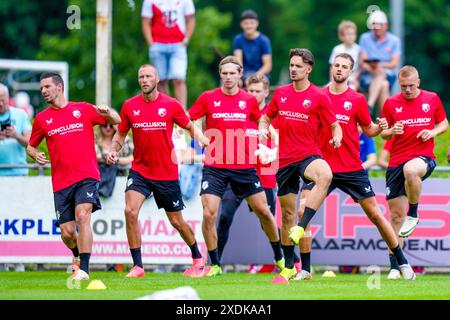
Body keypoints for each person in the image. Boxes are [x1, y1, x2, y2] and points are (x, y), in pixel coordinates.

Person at [295, 54, 416, 281]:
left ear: (351, 72)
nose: (339, 69)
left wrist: (381, 128)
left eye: (344, 67)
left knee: (376, 215)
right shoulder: (318, 96)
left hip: (351, 167)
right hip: (322, 167)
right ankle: (305, 269)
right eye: (337, 65)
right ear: (332, 68)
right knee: (303, 211)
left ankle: (402, 261)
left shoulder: (357, 99)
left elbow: (369, 130)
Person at [106, 64, 209, 278]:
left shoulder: (171, 105)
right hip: (140, 170)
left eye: (148, 76)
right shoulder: (129, 106)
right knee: (130, 211)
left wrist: (199, 137)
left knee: (176, 221)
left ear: (157, 79)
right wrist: (113, 150)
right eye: (141, 77)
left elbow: (189, 126)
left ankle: (198, 257)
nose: (144, 80)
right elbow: (121, 135)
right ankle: (138, 266)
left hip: (166, 172)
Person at [188, 56, 284, 278]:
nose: (229, 77)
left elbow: (263, 122)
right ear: (220, 74)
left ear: (240, 75)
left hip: (244, 167)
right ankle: (215, 264)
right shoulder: (208, 98)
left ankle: (279, 256)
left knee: (264, 212)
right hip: (215, 167)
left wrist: (272, 145)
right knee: (210, 213)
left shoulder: (248, 100)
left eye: (233, 73)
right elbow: (188, 119)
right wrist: (200, 135)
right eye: (225, 73)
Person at [26, 72, 121, 280]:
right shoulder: (42, 119)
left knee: (83, 216)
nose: (43, 91)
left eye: (47, 87)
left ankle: (84, 269)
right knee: (67, 233)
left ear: (59, 87)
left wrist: (108, 112)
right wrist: (35, 155)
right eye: (41, 88)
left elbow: (117, 119)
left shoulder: (83, 109)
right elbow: (30, 146)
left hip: (87, 175)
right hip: (61, 183)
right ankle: (76, 255)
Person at [259, 48, 342, 284]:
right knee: (286, 215)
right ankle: (288, 267)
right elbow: (266, 117)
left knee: (325, 175)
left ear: (309, 69)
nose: (293, 69)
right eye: (291, 65)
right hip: (284, 160)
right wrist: (264, 127)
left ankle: (302, 232)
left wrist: (337, 136)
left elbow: (335, 125)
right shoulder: (281, 94)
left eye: (298, 66)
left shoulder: (319, 96)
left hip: (308, 156)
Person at [215, 74, 301, 273]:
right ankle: (214, 263)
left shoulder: (275, 115)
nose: (253, 94)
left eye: (257, 91)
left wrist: (274, 154)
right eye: (250, 90)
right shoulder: (239, 109)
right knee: (225, 217)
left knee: (267, 222)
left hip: (264, 177)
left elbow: (286, 142)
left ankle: (291, 260)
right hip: (237, 172)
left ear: (265, 92)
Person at [381, 65, 448, 278]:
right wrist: (391, 131)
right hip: (395, 163)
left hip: (422, 158)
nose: (407, 90)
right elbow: (383, 135)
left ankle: (414, 212)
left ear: (418, 82)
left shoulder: (432, 99)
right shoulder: (391, 102)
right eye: (403, 86)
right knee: (395, 217)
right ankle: (395, 266)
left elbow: (444, 123)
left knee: (411, 171)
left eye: (411, 86)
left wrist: (433, 131)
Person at [141, 0, 195, 109]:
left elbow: (191, 19)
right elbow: (146, 23)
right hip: (158, 44)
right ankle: (166, 111)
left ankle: (182, 112)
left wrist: (186, 40)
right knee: (160, 80)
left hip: (178, 44)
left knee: (179, 79)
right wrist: (151, 44)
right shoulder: (150, 1)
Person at [0, 84, 31, 272]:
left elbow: (30, 141)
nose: (0, 101)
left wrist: (15, 135)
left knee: (18, 220)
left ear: (8, 97)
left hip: (18, 175)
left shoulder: (19, 115)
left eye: (2, 97)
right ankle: (2, 260)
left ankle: (18, 259)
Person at [359, 10, 401, 117]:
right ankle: (385, 121)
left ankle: (370, 105)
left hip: (387, 74)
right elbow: (363, 61)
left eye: (380, 25)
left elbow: (394, 63)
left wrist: (379, 66)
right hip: (368, 75)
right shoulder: (365, 38)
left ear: (386, 25)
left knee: (381, 74)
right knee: (384, 85)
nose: (377, 28)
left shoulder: (394, 40)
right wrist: (373, 68)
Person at [96, 124, 133, 198]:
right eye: (105, 125)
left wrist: (115, 160)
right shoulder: (94, 139)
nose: (108, 128)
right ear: (100, 126)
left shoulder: (125, 139)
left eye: (111, 126)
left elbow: (133, 158)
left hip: (123, 176)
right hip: (99, 176)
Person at [232, 10, 272, 81]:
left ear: (257, 23)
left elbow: (268, 66)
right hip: (244, 74)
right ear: (241, 24)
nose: (249, 26)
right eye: (246, 23)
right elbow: (238, 62)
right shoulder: (238, 39)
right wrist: (240, 76)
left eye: (252, 23)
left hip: (261, 74)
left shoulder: (264, 40)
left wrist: (255, 76)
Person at [328, 20, 360, 90]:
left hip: (352, 77)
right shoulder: (337, 49)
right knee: (327, 88)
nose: (351, 36)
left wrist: (356, 77)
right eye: (348, 34)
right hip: (338, 76)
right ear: (341, 36)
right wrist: (332, 80)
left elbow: (360, 66)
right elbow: (332, 66)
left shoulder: (358, 49)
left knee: (352, 88)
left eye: (353, 34)